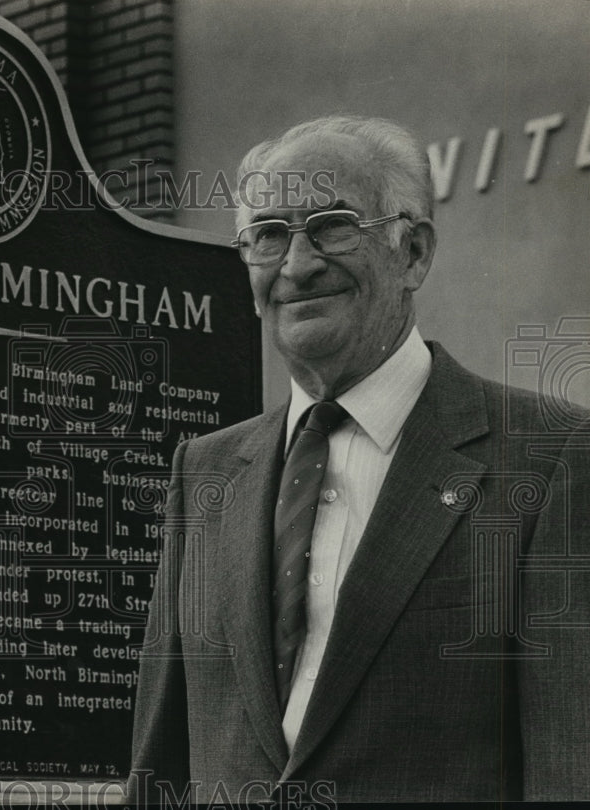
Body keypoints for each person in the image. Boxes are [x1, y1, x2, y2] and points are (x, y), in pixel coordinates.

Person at [128, 115, 590, 804]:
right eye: (269, 235)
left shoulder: (549, 456)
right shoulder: (205, 473)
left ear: (414, 254)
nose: (297, 264)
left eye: (332, 225)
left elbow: (570, 768)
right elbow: (160, 767)